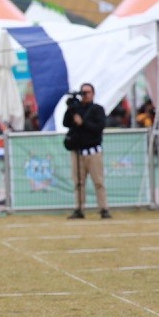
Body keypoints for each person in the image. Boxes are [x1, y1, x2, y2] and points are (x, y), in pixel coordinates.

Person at [63, 83, 111, 219]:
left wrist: (82, 123)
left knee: (98, 182)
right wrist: (70, 109)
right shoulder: (76, 109)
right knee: (78, 182)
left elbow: (99, 127)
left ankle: (103, 208)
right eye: (82, 93)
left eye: (87, 92)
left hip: (93, 151)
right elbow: (66, 123)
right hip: (77, 152)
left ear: (93, 93)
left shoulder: (97, 109)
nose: (84, 95)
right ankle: (79, 208)